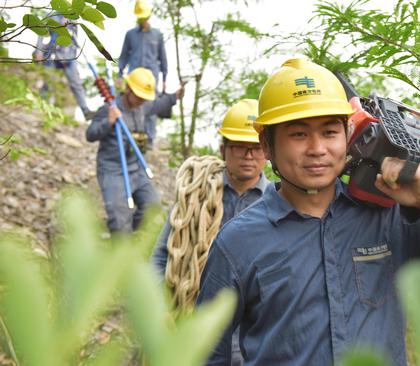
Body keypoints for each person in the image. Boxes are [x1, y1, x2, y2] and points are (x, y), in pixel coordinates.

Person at [196, 58, 420, 366]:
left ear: (349, 136)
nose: (317, 148)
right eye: (299, 134)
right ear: (267, 144)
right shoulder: (238, 242)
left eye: (330, 132)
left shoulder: (390, 218)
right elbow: (208, 352)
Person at [151, 99, 270, 366]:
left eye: (256, 148)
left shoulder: (277, 202)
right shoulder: (196, 197)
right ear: (223, 149)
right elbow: (162, 256)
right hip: (194, 320)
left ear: (268, 150)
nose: (249, 155)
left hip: (251, 330)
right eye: (239, 147)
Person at [86, 67, 183, 233]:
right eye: (139, 96)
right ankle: (121, 242)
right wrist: (108, 122)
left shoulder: (142, 107)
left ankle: (128, 230)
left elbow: (158, 104)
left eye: (145, 97)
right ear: (128, 89)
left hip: (136, 168)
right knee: (119, 218)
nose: (142, 100)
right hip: (113, 170)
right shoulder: (109, 109)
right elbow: (90, 135)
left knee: (152, 207)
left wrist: (174, 97)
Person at [117, 0, 168, 146]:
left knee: (150, 107)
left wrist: (165, 78)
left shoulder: (157, 35)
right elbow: (124, 55)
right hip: (134, 76)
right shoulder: (130, 34)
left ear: (148, 16)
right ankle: (132, 136)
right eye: (139, 18)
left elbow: (162, 57)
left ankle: (149, 140)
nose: (141, 21)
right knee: (133, 105)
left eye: (143, 18)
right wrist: (120, 74)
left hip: (151, 78)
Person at [34, 13, 94, 120]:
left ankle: (86, 111)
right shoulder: (50, 15)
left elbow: (75, 37)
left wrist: (75, 56)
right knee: (48, 83)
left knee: (76, 84)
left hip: (69, 57)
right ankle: (42, 110)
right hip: (51, 55)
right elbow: (41, 34)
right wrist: (39, 51)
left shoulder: (73, 17)